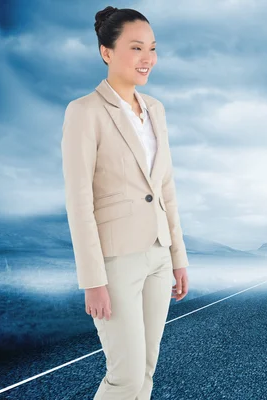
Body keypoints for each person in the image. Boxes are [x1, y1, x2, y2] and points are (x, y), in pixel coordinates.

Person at [60, 6, 189, 399]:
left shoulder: (156, 110)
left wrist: (178, 258)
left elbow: (165, 187)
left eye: (152, 48)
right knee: (125, 377)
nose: (147, 58)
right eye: (136, 48)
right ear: (106, 52)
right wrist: (93, 280)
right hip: (115, 263)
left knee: (146, 372)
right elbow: (79, 200)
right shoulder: (84, 112)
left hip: (158, 256)